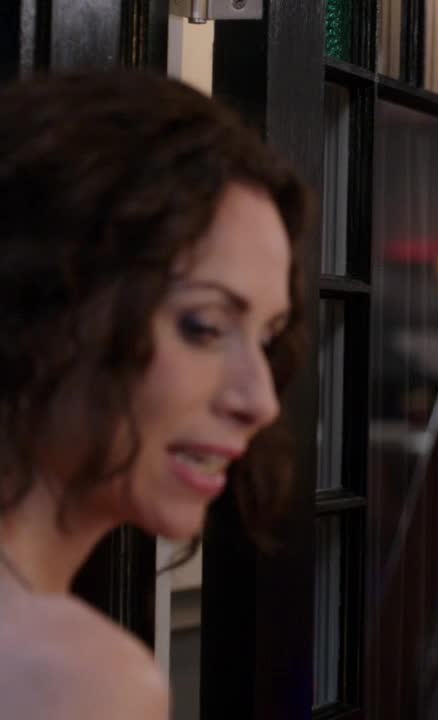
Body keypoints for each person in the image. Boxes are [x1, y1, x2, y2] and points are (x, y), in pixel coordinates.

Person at [0, 71, 309, 718]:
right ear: (43, 310)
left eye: (268, 338)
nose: (260, 401)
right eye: (204, 326)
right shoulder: (70, 678)